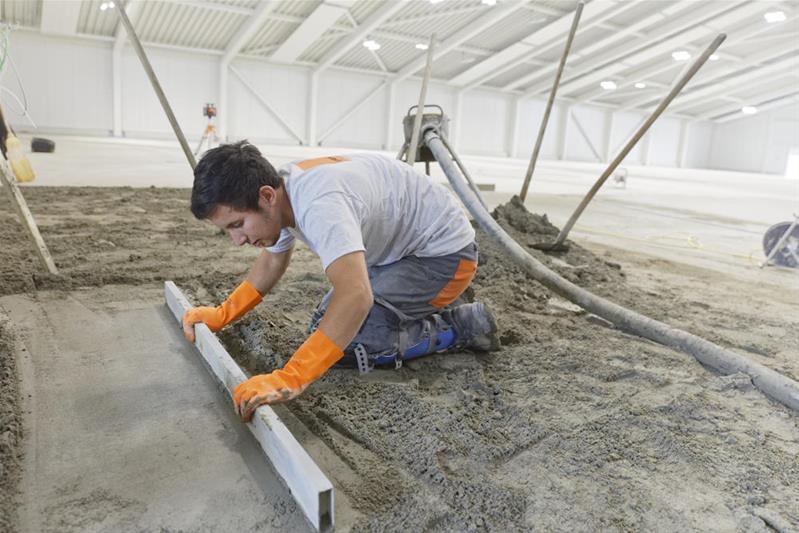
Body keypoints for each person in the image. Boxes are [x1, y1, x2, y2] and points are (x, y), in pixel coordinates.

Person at [182, 141, 499, 422]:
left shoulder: (320, 205)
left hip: (444, 258)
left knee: (353, 340)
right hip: (402, 250)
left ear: (265, 197)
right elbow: (274, 258)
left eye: (237, 225)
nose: (237, 240)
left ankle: (463, 325)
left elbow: (356, 296)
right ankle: (424, 298)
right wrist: (224, 314)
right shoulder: (280, 192)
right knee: (326, 323)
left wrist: (292, 377)